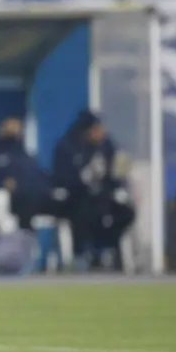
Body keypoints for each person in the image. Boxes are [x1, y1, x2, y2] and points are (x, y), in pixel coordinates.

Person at [52, 110, 135, 270]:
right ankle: (82, 253)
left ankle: (108, 249)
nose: (101, 132)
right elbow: (63, 179)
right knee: (84, 211)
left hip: (104, 197)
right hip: (76, 198)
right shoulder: (67, 146)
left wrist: (119, 185)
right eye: (96, 129)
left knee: (125, 212)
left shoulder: (106, 145)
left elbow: (115, 172)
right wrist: (86, 175)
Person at [0, 117, 56, 232]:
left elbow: (40, 177)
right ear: (0, 130)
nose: (14, 131)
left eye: (17, 128)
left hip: (34, 198)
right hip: (4, 201)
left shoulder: (26, 157)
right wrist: (2, 184)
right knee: (18, 200)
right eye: (10, 128)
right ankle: (19, 237)